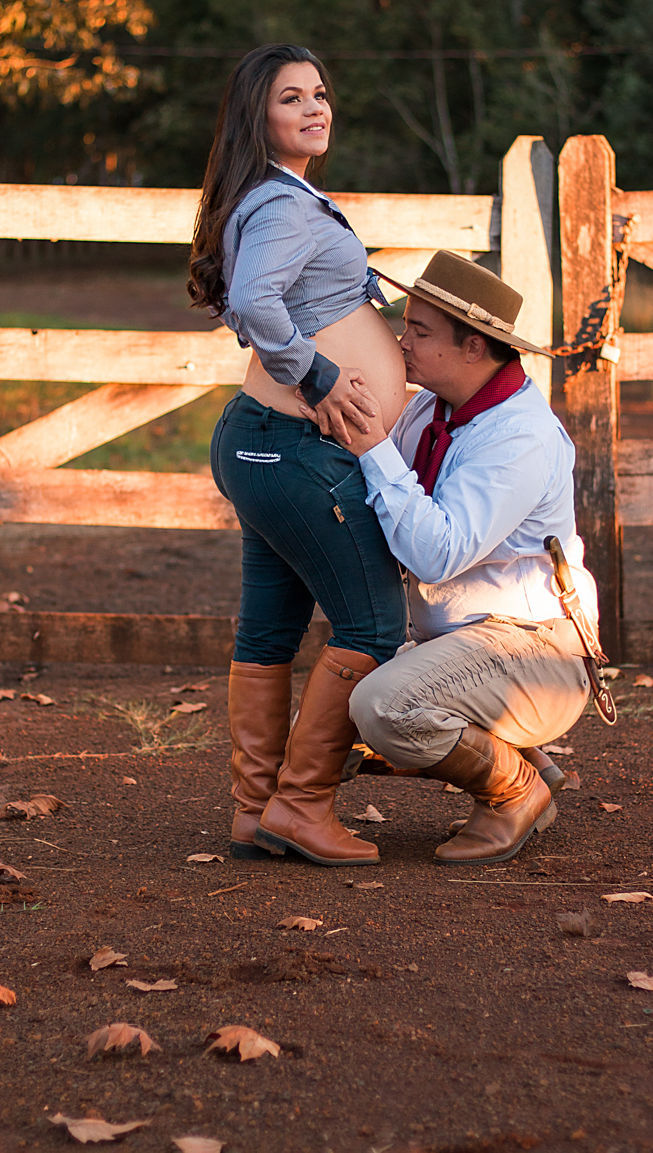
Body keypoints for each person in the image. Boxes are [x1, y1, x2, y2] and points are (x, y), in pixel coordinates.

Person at [188, 43, 409, 868]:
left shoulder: (282, 195)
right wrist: (320, 375)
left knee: (272, 628)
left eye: (321, 94)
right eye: (293, 98)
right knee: (373, 624)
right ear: (260, 116)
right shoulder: (281, 205)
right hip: (289, 447)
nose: (316, 108)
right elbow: (255, 302)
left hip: (266, 445)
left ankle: (256, 811)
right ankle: (302, 805)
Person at [304, 249, 599, 865]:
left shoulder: (519, 437)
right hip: (458, 644)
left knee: (382, 706)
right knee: (320, 699)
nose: (400, 344)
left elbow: (437, 554)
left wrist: (374, 446)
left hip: (535, 650)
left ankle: (517, 790)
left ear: (473, 348)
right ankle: (523, 760)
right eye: (404, 325)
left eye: (418, 332)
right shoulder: (432, 409)